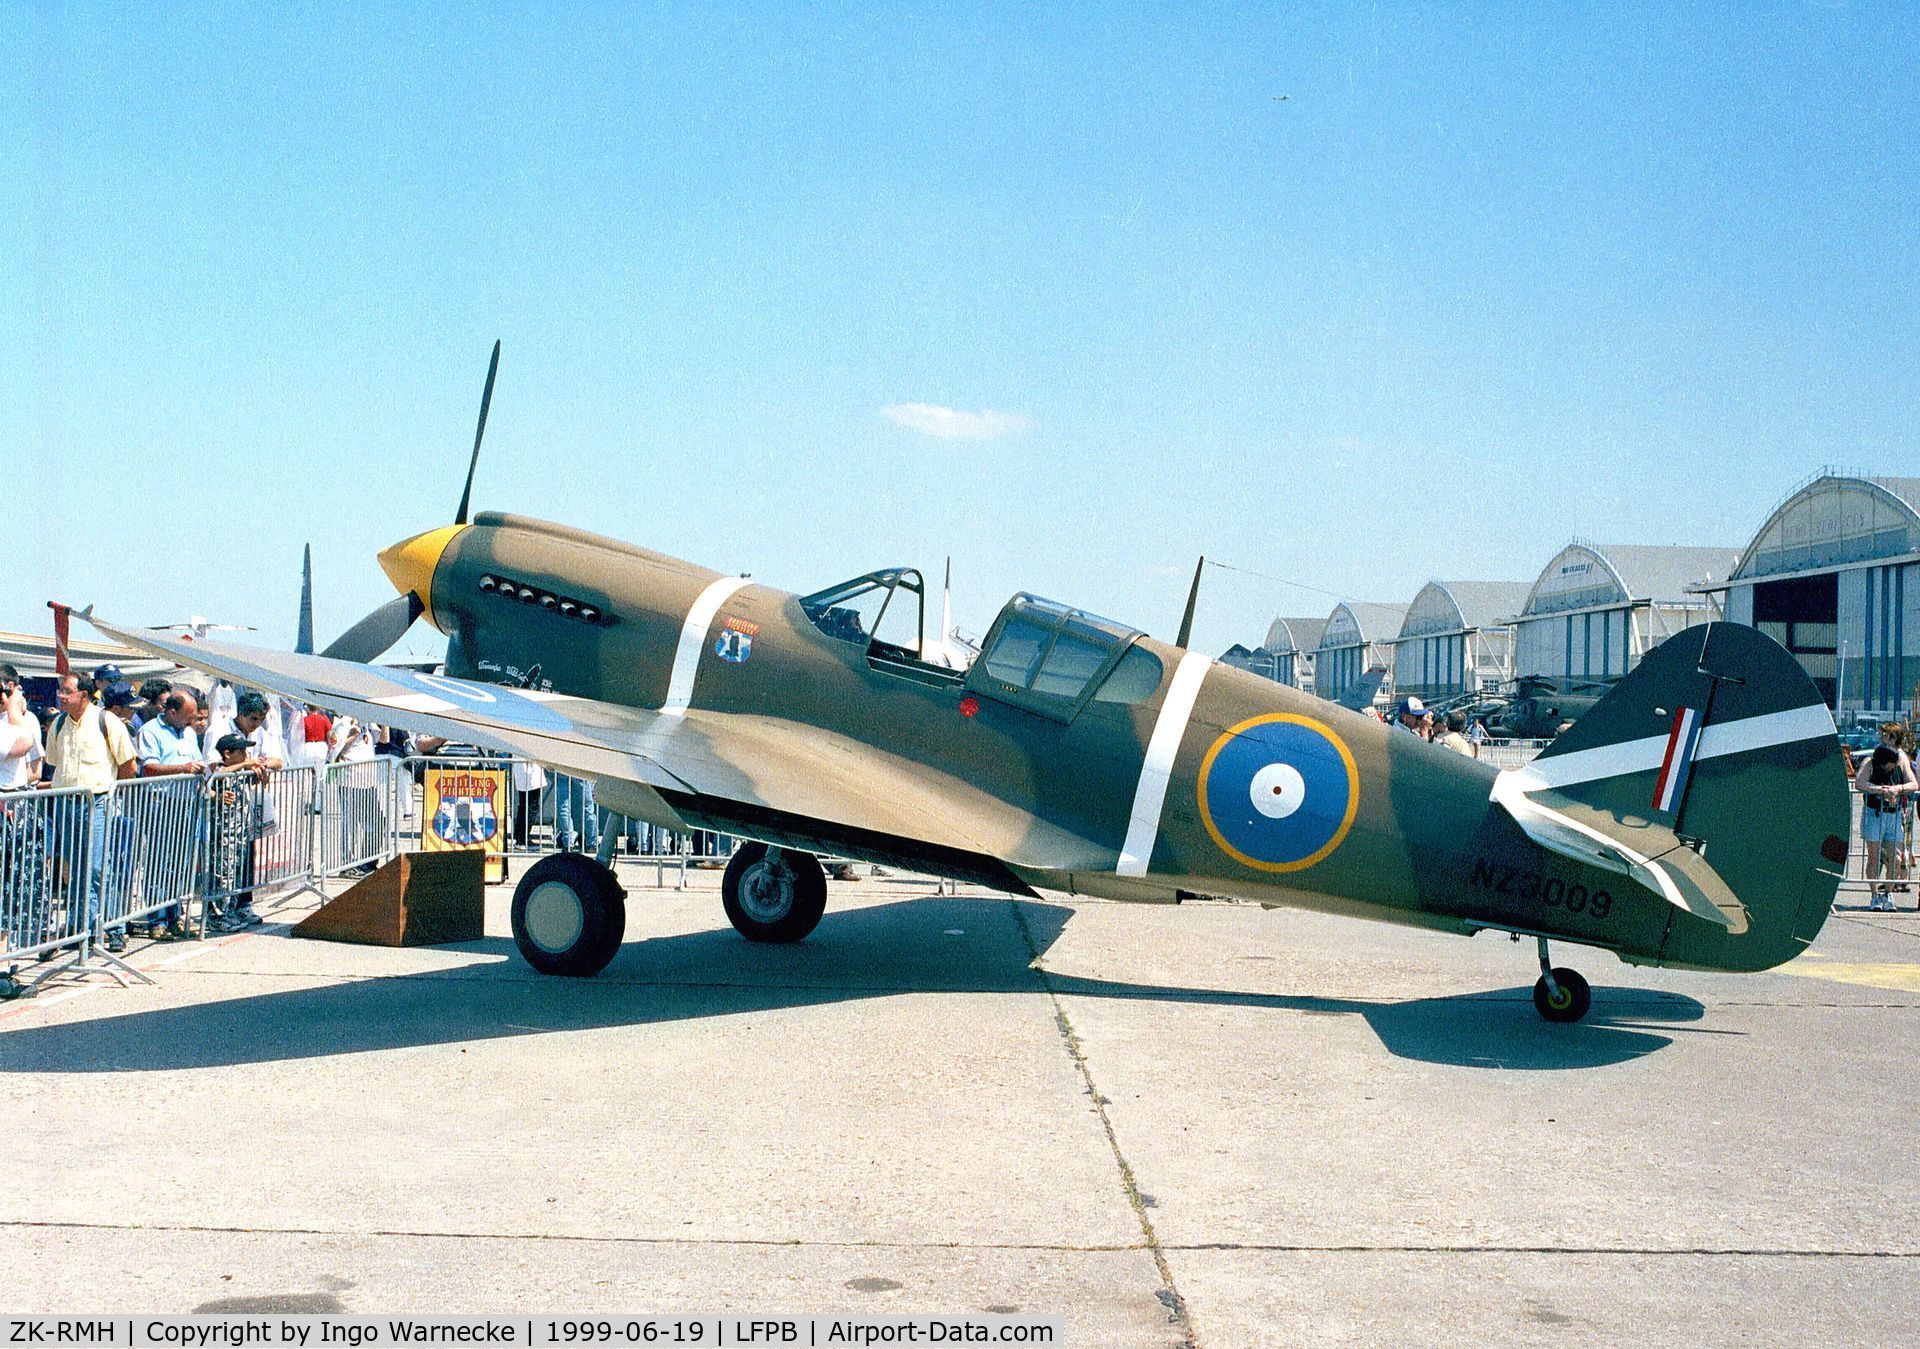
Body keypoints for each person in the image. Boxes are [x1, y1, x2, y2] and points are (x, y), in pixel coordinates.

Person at [44, 672, 139, 953]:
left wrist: (111, 795)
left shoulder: (106, 721)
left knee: (98, 867)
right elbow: (54, 762)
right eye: (61, 691)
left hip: (97, 802)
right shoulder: (58, 724)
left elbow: (128, 766)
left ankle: (110, 927)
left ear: (84, 695)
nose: (61, 696)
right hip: (66, 802)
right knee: (75, 869)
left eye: (67, 692)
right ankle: (79, 927)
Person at [134, 689, 207, 940]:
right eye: (188, 716)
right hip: (161, 802)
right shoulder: (149, 731)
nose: (191, 721)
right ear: (171, 711)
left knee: (179, 863)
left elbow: (198, 761)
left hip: (186, 803)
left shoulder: (187, 732)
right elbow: (150, 767)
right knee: (158, 863)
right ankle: (157, 920)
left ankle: (175, 915)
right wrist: (183, 768)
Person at [207, 732, 266, 930]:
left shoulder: (240, 771)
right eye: (241, 751)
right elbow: (215, 776)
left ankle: (229, 911)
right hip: (224, 834)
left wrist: (258, 774)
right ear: (227, 754)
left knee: (235, 874)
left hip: (240, 833)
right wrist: (244, 765)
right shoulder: (221, 769)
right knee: (222, 874)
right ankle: (216, 916)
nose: (246, 754)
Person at [1856, 722, 1916, 911]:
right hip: (1874, 814)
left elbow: (1913, 783)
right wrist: (1880, 790)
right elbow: (1860, 783)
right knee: (1873, 858)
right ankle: (1874, 896)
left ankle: (1888, 893)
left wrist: (1898, 788)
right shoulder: (1871, 761)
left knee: (1896, 858)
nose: (1882, 737)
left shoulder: (1901, 759)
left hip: (1894, 815)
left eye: (1887, 735)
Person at [203, 690, 285, 777]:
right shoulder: (218, 730)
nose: (258, 724)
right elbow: (212, 766)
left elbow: (278, 761)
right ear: (240, 714)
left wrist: (261, 765)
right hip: (220, 788)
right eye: (254, 719)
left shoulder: (260, 731)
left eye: (262, 719)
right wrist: (246, 764)